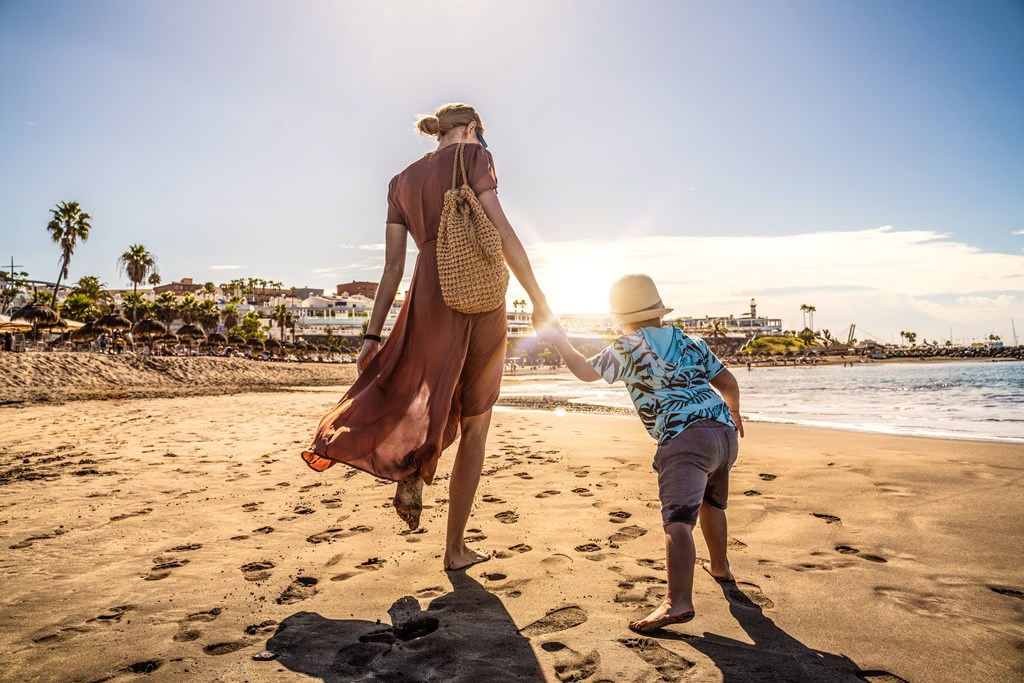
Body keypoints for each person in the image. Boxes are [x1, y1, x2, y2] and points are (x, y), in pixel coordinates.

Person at [302, 103, 551, 571]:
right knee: (476, 419)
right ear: (472, 130)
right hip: (474, 289)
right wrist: (537, 297)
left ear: (439, 133)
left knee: (423, 388)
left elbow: (392, 267)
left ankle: (415, 465)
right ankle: (455, 549)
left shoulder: (400, 182)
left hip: (427, 291)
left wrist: (372, 335)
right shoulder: (475, 157)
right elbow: (502, 230)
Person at [537, 274, 743, 633]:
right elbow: (727, 382)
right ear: (658, 311)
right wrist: (734, 413)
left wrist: (560, 342)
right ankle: (721, 566)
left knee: (678, 519)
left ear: (621, 317)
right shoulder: (690, 341)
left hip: (684, 440)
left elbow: (586, 372)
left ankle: (677, 602)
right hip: (724, 433)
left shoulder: (628, 346)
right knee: (713, 504)